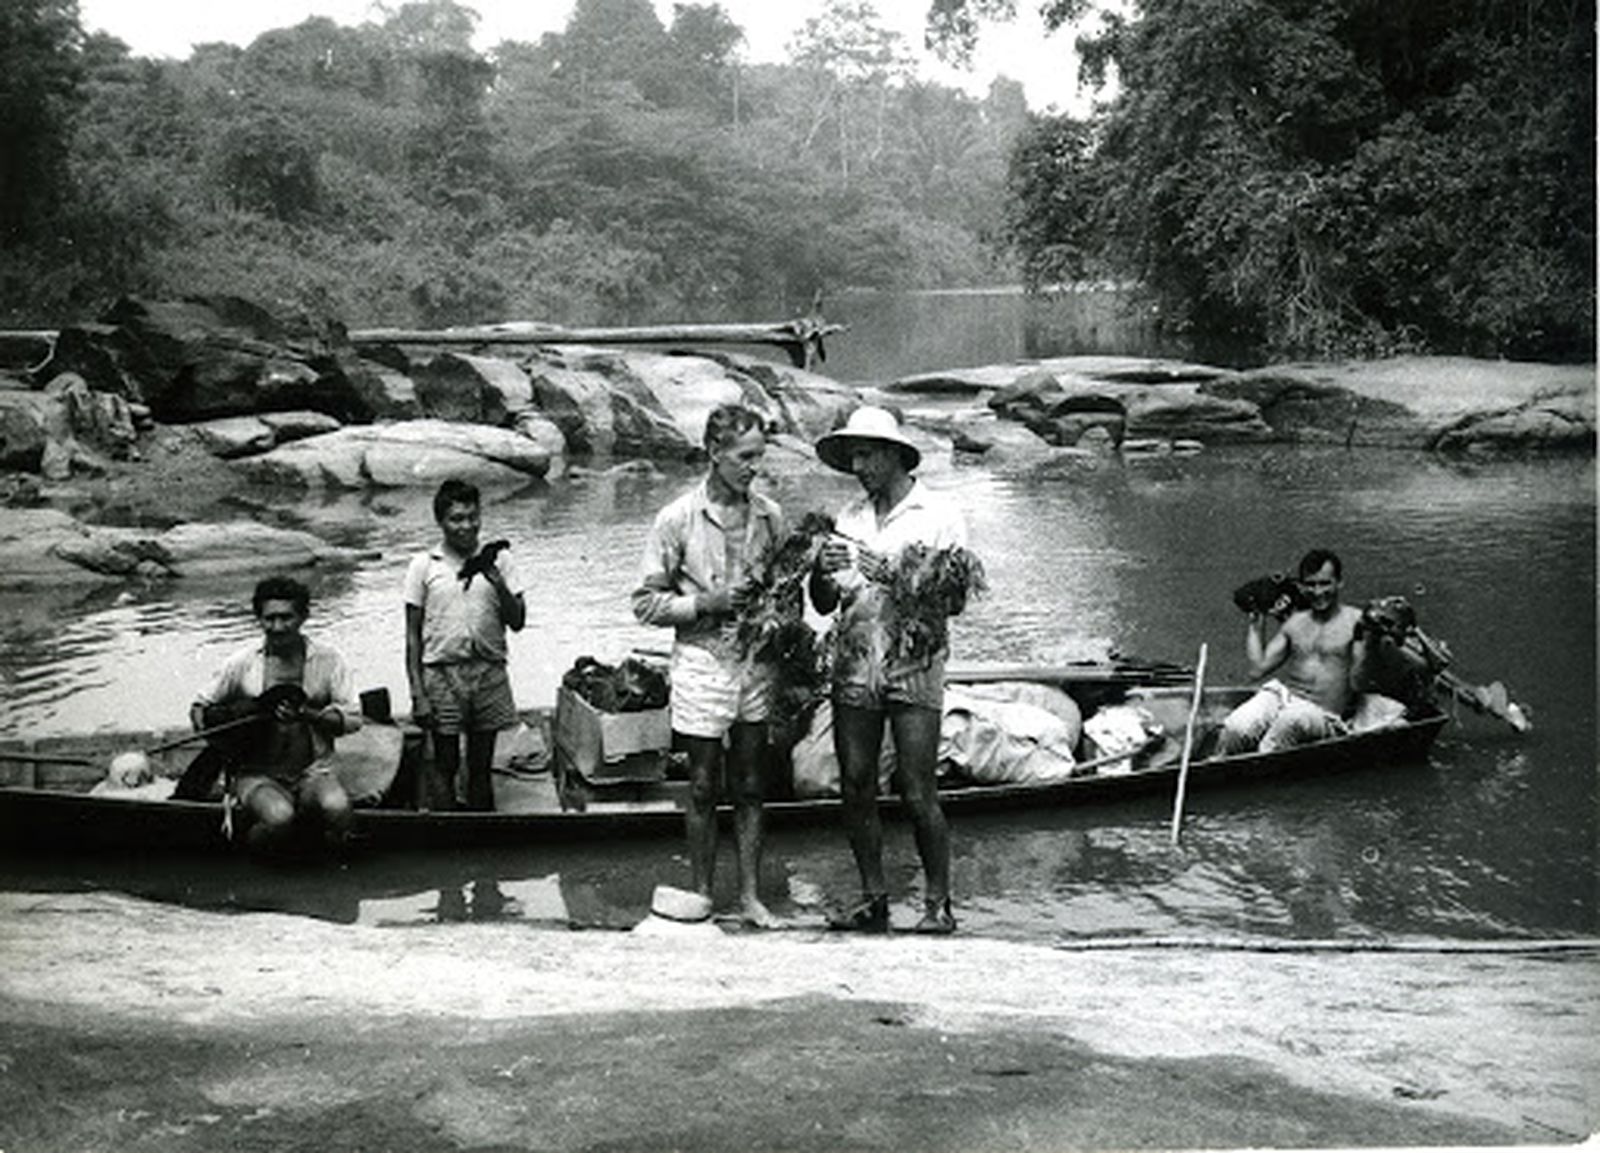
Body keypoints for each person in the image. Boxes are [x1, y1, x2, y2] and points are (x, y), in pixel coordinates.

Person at [809, 405, 969, 934]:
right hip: (856, 657)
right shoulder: (850, 517)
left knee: (917, 788)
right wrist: (822, 572)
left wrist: (900, 576)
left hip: (914, 660)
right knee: (856, 783)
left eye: (867, 455)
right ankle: (873, 898)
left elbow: (955, 600)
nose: (859, 467)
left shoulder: (938, 514)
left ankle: (938, 904)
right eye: (853, 457)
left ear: (894, 455)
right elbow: (824, 603)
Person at [632, 404, 784, 927]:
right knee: (701, 785)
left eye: (759, 457)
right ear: (714, 452)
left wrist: (780, 622)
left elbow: (784, 589)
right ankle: (701, 895)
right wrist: (705, 603)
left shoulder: (771, 516)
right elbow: (645, 603)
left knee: (751, 783)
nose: (753, 468)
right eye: (744, 457)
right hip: (701, 660)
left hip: (755, 664)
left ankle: (751, 898)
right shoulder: (677, 518)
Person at [190, 576, 362, 852]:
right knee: (280, 818)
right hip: (256, 774)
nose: (278, 627)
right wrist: (222, 736)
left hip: (313, 770)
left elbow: (353, 719)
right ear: (258, 618)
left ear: (303, 617)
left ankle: (328, 866)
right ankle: (253, 857)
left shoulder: (329, 659)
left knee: (338, 809)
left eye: (286, 617)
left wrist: (307, 714)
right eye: (269, 618)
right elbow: (199, 707)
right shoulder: (241, 663)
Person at [404, 478, 527, 811]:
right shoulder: (424, 565)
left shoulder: (500, 560)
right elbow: (412, 635)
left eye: (473, 517)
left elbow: (517, 621)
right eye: (457, 519)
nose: (467, 526)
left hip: (488, 672)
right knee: (444, 762)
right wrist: (417, 693)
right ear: (441, 522)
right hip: (442, 675)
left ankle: (481, 833)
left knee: (481, 765)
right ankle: (447, 831)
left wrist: (497, 582)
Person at [1216, 548, 1401, 754]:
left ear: (1339, 583)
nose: (1317, 592)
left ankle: (1259, 767)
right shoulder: (1295, 623)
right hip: (1285, 697)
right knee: (1236, 727)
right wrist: (1255, 625)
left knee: (1288, 724)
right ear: (1303, 586)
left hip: (1323, 714)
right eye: (1311, 584)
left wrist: (1370, 643)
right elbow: (1258, 669)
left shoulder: (1357, 622)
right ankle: (1216, 765)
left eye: (1324, 584)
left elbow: (1360, 682)